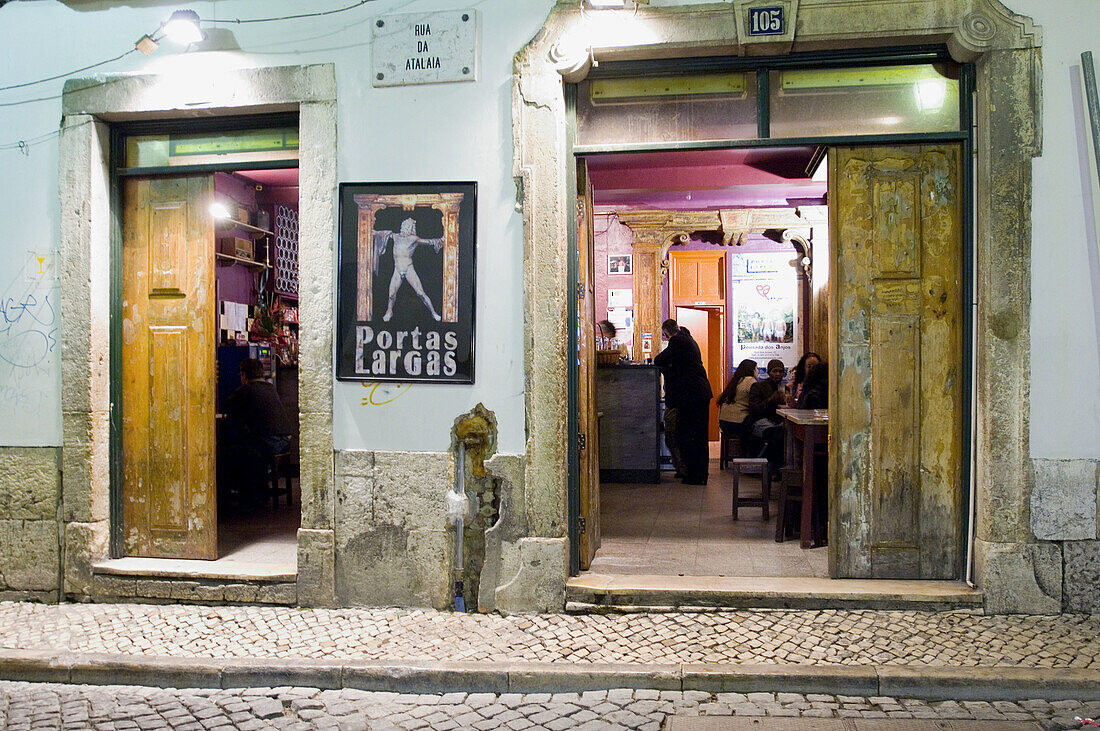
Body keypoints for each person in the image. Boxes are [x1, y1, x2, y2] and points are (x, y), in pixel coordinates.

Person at [224, 358, 294, 506]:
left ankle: (248, 495)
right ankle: (259, 490)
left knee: (234, 451)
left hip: (271, 443)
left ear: (243, 375)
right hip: (285, 441)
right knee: (250, 447)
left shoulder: (246, 390)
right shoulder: (269, 388)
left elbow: (229, 410)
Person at [653, 318, 713, 485]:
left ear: (665, 333)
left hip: (692, 396)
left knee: (689, 435)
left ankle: (696, 475)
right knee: (698, 436)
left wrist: (668, 367)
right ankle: (698, 474)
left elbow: (659, 360)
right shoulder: (688, 339)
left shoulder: (678, 340)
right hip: (698, 394)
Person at [375, 217, 444, 322]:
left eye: (408, 226)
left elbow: (428, 242)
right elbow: (384, 234)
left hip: (408, 268)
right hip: (397, 269)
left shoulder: (413, 239)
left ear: (411, 228)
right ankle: (389, 311)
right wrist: (375, 233)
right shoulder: (396, 236)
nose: (406, 227)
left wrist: (440, 240)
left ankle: (433, 313)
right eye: (405, 225)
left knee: (420, 293)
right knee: (392, 294)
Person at [742, 358, 787, 471]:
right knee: (775, 434)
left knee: (787, 433)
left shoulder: (784, 388)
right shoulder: (758, 387)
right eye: (774, 371)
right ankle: (774, 468)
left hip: (778, 420)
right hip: (760, 420)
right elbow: (754, 410)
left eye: (780, 372)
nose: (777, 374)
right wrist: (771, 400)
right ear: (768, 372)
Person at [716, 358, 758, 439]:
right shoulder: (750, 381)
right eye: (756, 368)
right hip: (738, 423)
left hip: (724, 422)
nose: (758, 371)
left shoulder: (735, 381)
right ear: (752, 370)